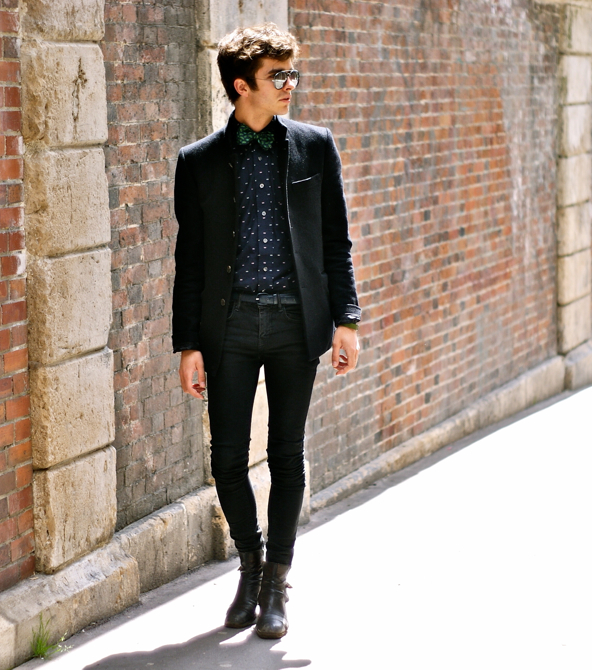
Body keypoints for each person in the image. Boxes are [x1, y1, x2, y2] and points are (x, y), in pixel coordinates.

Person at [172, 23, 361, 639]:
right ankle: (250, 565)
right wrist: (188, 344)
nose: (289, 84)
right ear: (240, 86)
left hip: (293, 323)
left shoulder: (314, 146)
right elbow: (189, 260)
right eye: (277, 75)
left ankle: (278, 582)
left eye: (291, 73)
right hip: (226, 328)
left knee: (285, 456)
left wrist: (346, 320)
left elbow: (336, 241)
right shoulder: (198, 162)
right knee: (226, 459)